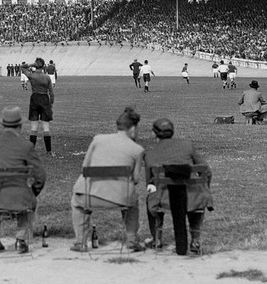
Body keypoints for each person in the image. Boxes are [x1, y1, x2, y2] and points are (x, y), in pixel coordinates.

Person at [69, 107, 146, 253]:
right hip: (120, 199)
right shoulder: (137, 150)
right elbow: (135, 179)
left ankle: (80, 242)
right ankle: (131, 240)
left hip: (88, 196)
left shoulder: (98, 139)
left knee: (77, 204)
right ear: (133, 129)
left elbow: (85, 167)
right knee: (133, 203)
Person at [0, 106, 46, 255]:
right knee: (31, 203)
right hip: (19, 195)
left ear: (3, 125)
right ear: (20, 126)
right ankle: (21, 239)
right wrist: (33, 192)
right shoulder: (26, 146)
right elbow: (40, 175)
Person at [144, 118, 212, 255]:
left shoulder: (150, 155)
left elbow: (149, 183)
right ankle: (195, 239)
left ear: (154, 134)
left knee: (150, 198)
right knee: (196, 199)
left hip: (164, 198)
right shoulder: (187, 145)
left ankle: (156, 238)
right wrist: (205, 188)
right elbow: (206, 171)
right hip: (192, 195)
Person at [20, 58, 55, 156]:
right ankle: (48, 151)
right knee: (46, 127)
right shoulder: (47, 77)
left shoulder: (32, 76)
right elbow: (51, 93)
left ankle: (31, 151)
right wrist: (50, 104)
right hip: (44, 99)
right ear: (43, 66)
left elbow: (22, 67)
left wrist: (32, 64)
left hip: (34, 98)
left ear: (35, 65)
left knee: (34, 127)